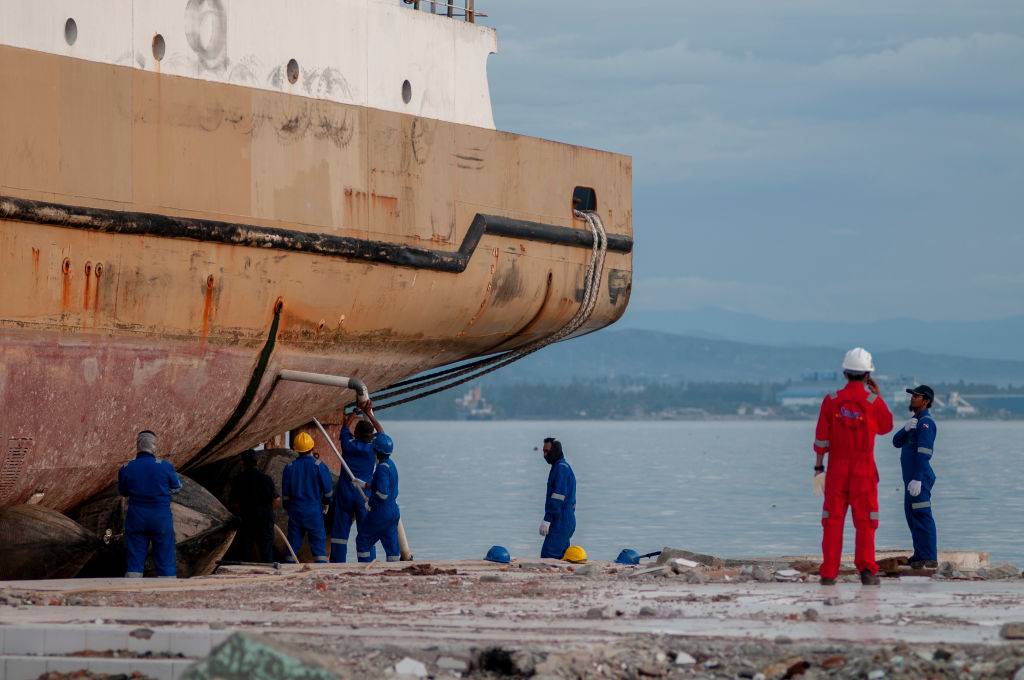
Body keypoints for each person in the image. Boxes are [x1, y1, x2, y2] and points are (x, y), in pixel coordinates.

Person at [812, 348, 893, 586]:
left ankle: (828, 574)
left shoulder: (832, 401)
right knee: (866, 522)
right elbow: (886, 427)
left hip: (836, 470)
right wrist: (879, 395)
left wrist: (818, 469)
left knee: (832, 522)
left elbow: (821, 439)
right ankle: (867, 571)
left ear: (845, 372)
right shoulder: (872, 401)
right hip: (864, 472)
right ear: (868, 374)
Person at [118, 430, 181, 578]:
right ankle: (166, 592)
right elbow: (177, 487)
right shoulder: (165, 466)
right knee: (165, 559)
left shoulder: (126, 468)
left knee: (134, 561)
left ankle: (132, 593)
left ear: (137, 446)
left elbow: (123, 492)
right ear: (154, 446)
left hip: (136, 518)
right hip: (160, 518)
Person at [893, 385, 939, 569]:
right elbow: (896, 442)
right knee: (912, 517)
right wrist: (904, 429)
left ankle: (929, 556)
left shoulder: (926, 423)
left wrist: (918, 478)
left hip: (919, 479)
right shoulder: (914, 422)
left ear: (926, 401)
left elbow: (924, 452)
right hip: (910, 479)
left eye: (917, 396)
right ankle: (920, 554)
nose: (912, 398)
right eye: (912, 395)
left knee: (922, 515)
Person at [330, 406, 383, 563]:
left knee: (340, 532)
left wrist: (354, 413)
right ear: (370, 436)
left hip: (345, 493)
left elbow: (345, 427)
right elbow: (381, 433)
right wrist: (369, 413)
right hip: (363, 494)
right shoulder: (372, 449)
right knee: (366, 531)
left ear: (357, 433)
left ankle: (337, 563)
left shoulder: (348, 445)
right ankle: (367, 561)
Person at [281, 431, 333, 563]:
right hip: (314, 512)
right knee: (319, 548)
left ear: (296, 449)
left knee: (292, 545)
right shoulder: (319, 466)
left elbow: (285, 496)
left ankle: (287, 573)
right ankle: (320, 574)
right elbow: (328, 491)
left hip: (296, 512)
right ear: (312, 447)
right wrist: (326, 503)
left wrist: (288, 508)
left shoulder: (289, 467)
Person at [356, 427, 402, 562]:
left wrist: (369, 503)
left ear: (375, 450)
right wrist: (366, 485)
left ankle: (363, 569)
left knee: (363, 540)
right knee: (392, 546)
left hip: (381, 513)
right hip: (393, 511)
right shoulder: (390, 465)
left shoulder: (381, 468)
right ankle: (394, 570)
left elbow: (382, 494)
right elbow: (387, 488)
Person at [228, 450, 280, 563]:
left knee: (245, 552)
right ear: (257, 462)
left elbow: (234, 503)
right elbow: (276, 500)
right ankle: (268, 576)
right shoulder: (266, 479)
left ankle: (245, 576)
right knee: (266, 553)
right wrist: (268, 511)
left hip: (247, 520)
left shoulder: (238, 480)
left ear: (243, 463)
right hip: (265, 520)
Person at [539, 437, 576, 559]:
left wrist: (547, 519)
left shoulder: (560, 468)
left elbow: (557, 497)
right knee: (561, 557)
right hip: (565, 518)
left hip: (561, 520)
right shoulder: (560, 467)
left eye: (547, 451)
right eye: (543, 451)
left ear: (555, 450)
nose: (544, 455)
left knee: (548, 556)